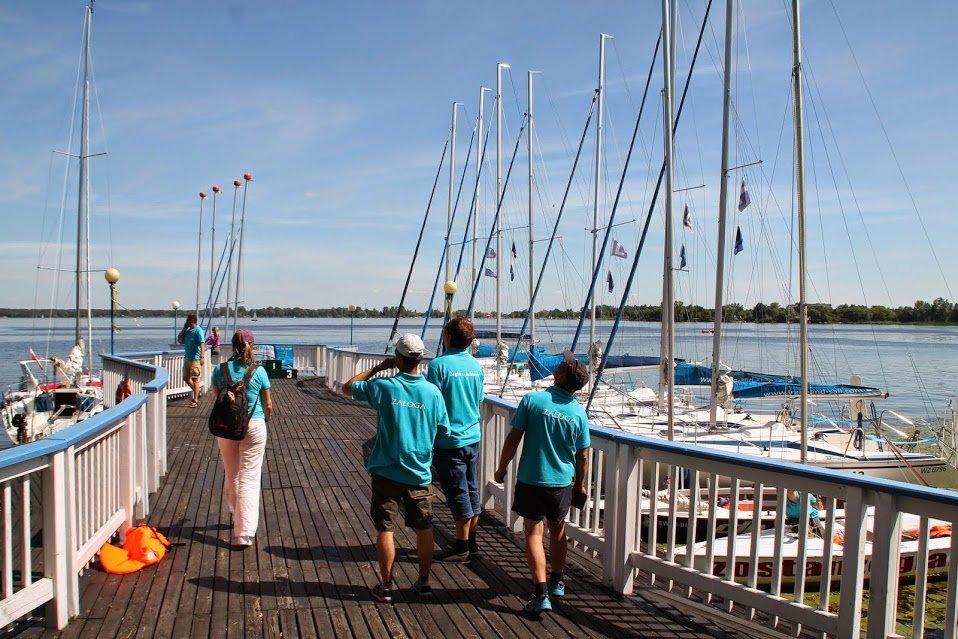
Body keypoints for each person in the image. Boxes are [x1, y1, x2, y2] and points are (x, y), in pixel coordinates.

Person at [342, 333, 450, 603]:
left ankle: (386, 584)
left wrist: (379, 368)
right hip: (419, 472)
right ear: (421, 359)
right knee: (424, 528)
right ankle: (423, 582)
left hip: (386, 471)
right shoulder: (433, 392)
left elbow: (348, 387)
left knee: (385, 529)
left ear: (398, 358)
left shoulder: (386, 386)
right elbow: (444, 429)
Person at [494, 351, 591, 614]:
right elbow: (582, 455)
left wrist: (502, 468)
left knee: (534, 533)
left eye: (562, 364)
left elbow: (513, 439)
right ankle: (557, 581)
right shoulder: (578, 413)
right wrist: (579, 484)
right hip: (561, 482)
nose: (559, 365)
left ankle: (540, 592)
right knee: (558, 530)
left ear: (559, 375)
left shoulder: (533, 401)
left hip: (531, 479)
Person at [426, 316, 485, 562]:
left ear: (447, 337)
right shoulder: (476, 366)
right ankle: (471, 542)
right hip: (472, 436)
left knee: (457, 492)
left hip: (449, 439)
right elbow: (479, 400)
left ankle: (461, 547)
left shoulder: (439, 366)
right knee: (471, 488)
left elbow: (430, 403)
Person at [211, 329, 272, 548]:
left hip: (226, 427)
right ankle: (244, 533)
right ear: (251, 347)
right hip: (253, 426)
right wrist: (267, 417)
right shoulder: (259, 371)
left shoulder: (221, 369)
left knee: (232, 473)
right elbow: (269, 404)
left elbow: (217, 395)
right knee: (250, 478)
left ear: (232, 346)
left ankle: (236, 513)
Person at [181, 313, 205, 407]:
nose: (187, 322)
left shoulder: (198, 330)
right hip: (187, 358)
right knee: (186, 378)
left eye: (189, 320)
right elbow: (179, 339)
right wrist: (184, 328)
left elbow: (202, 344)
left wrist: (202, 357)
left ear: (193, 320)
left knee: (195, 379)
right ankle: (197, 391)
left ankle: (195, 400)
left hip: (195, 359)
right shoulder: (187, 330)